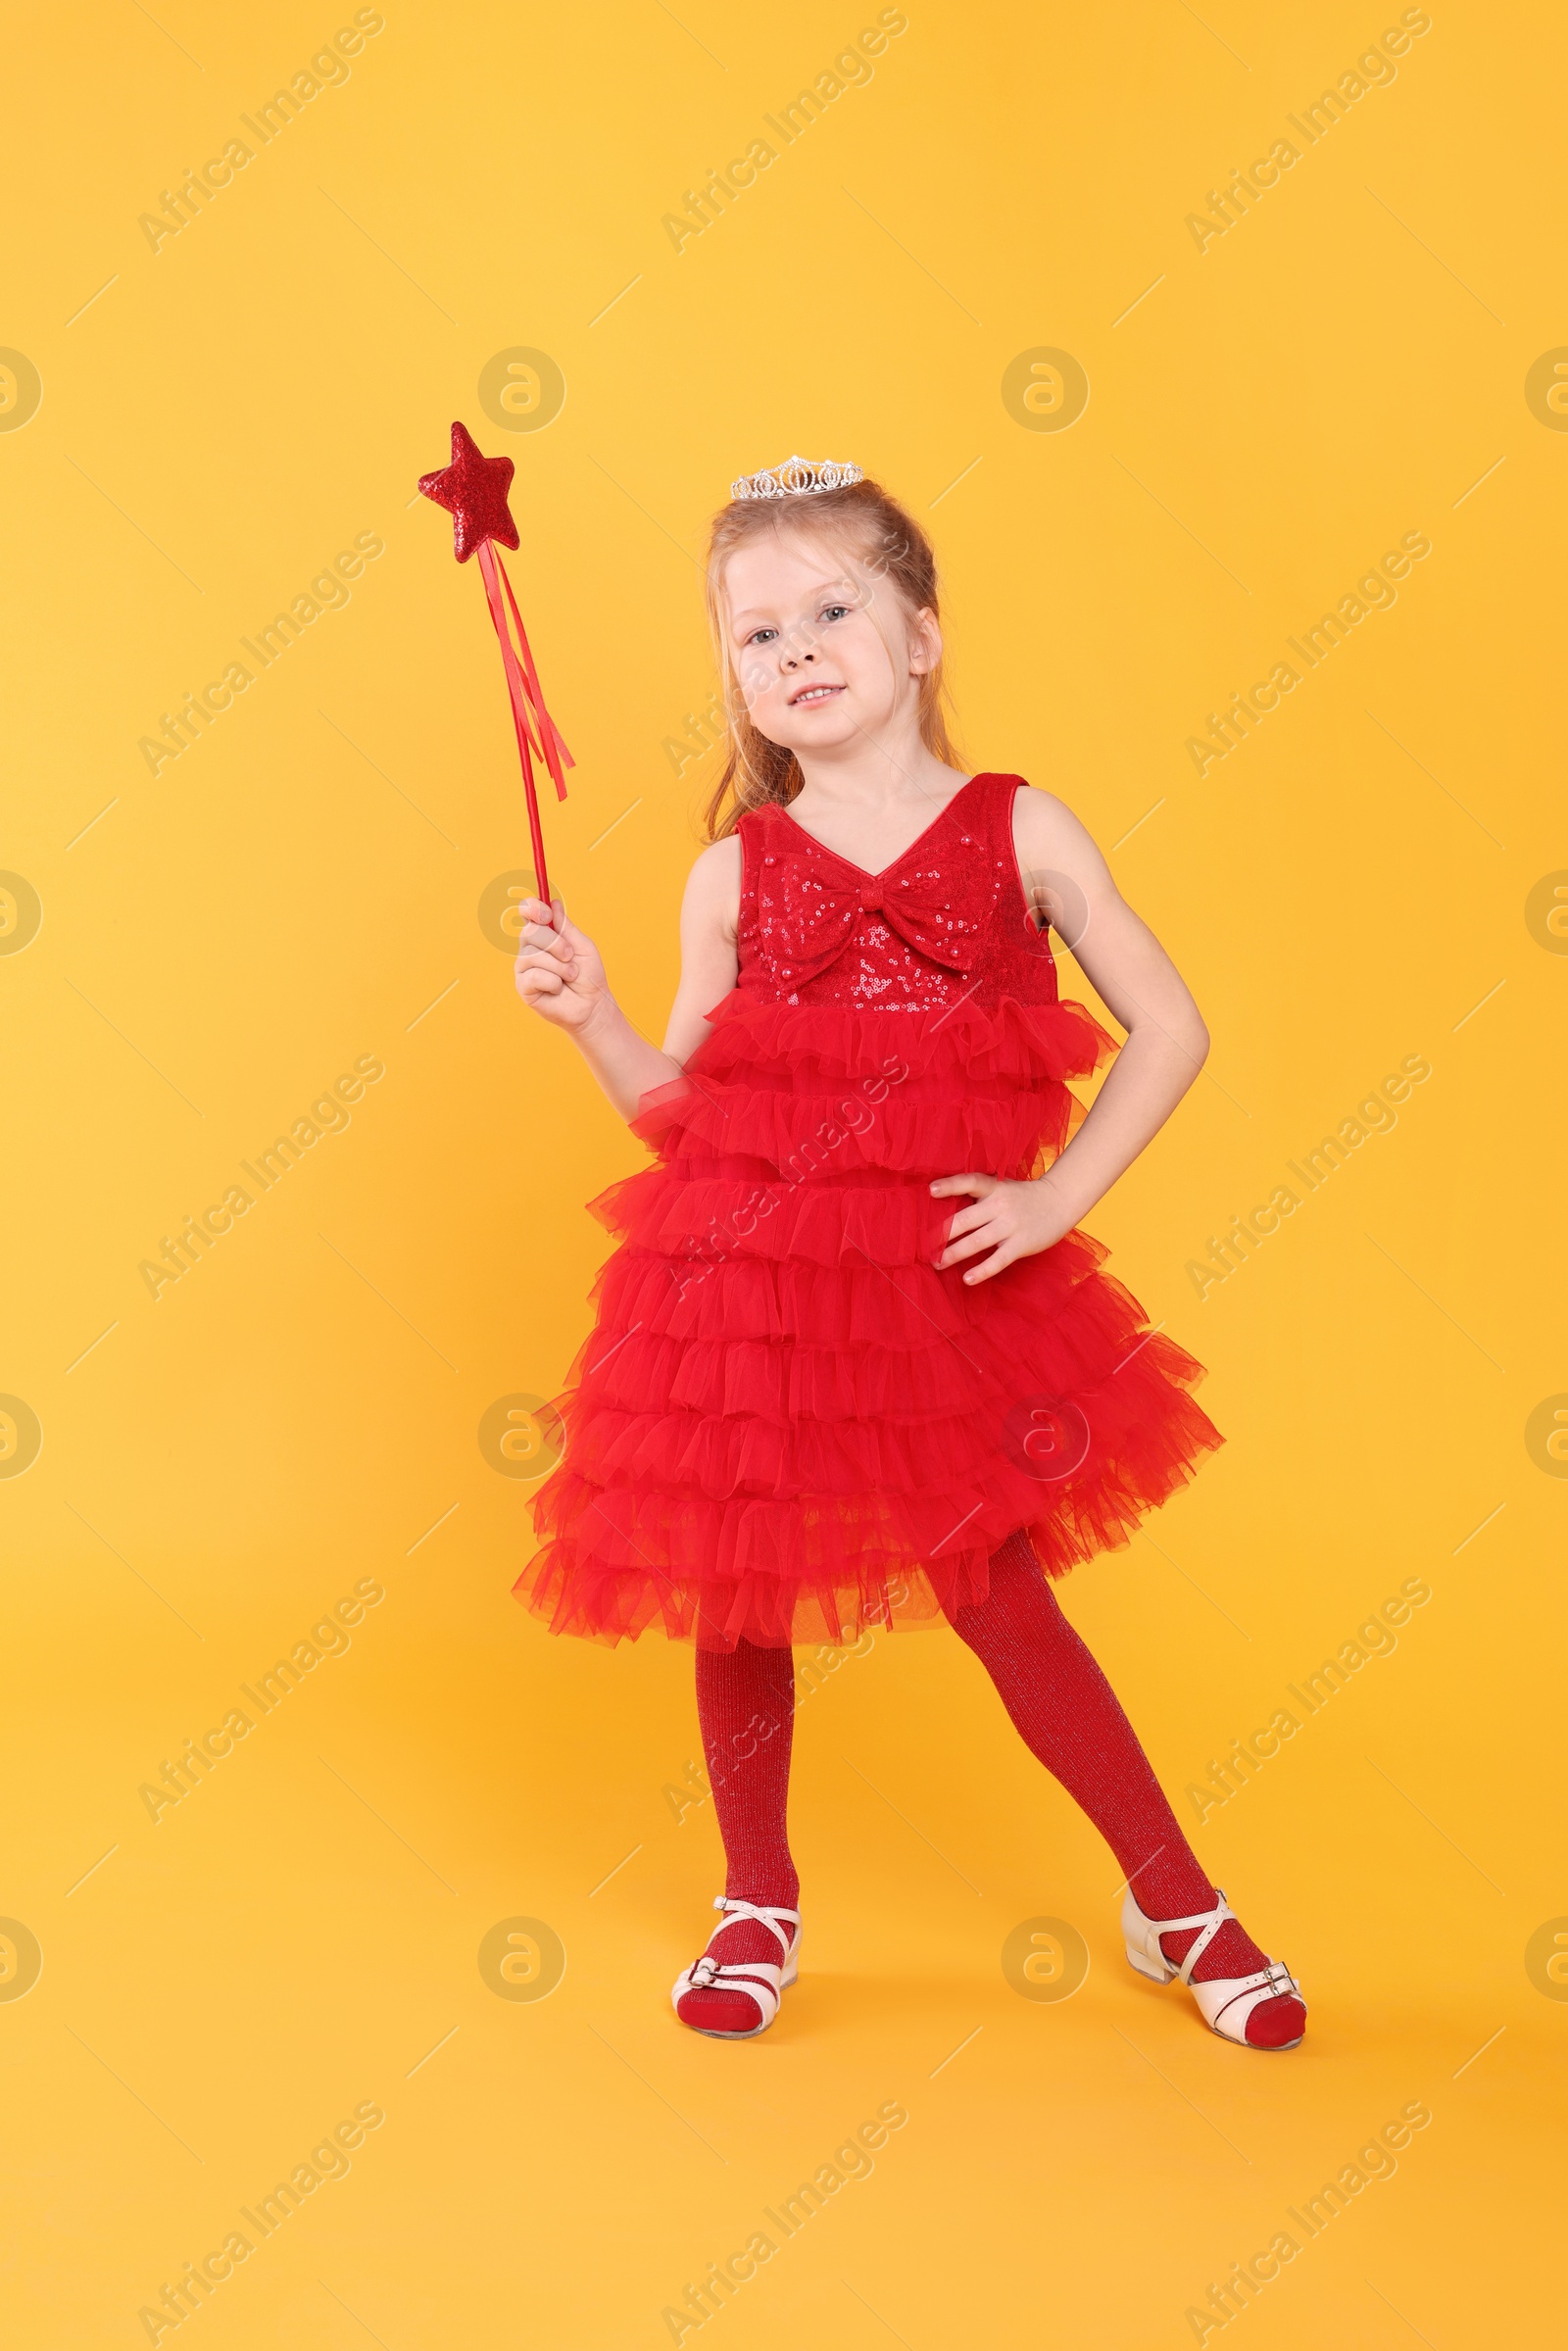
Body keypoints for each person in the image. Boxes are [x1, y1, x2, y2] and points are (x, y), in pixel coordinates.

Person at [511, 455, 1305, 2053]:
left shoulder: (1019, 827)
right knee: (739, 1600)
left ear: (921, 635)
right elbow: (684, 1118)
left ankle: (1174, 1896)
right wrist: (592, 1017)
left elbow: (1173, 1025)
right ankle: (757, 1896)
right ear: (733, 674)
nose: (795, 647)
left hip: (939, 1303)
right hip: (749, 1296)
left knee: (1001, 1596)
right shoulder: (733, 872)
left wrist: (1055, 1201)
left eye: (831, 609)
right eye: (756, 632)